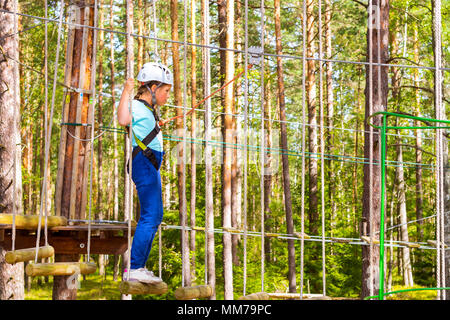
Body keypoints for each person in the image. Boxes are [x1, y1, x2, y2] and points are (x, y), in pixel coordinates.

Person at [117, 62, 173, 283]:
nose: (168, 95)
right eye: (166, 91)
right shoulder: (137, 106)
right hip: (143, 163)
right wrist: (126, 90)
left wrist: (157, 125)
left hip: (148, 165)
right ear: (152, 87)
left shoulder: (148, 110)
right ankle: (135, 267)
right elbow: (123, 119)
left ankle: (138, 266)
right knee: (150, 216)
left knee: (155, 216)